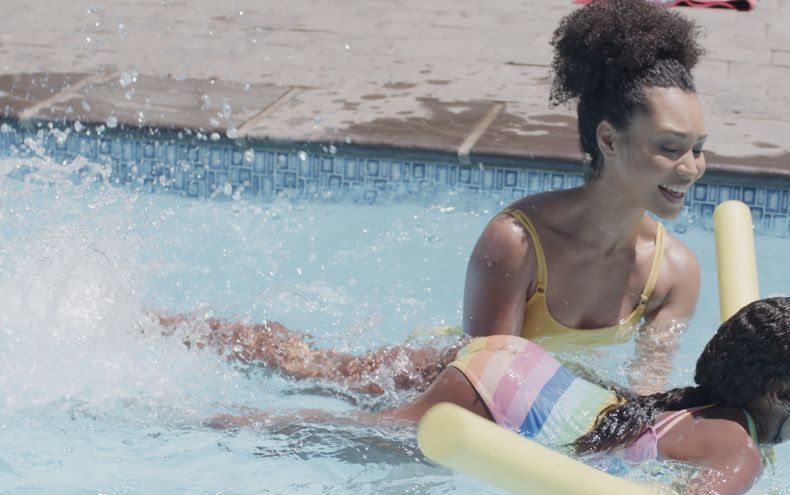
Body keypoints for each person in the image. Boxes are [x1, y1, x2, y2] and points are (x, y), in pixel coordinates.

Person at [164, 0, 707, 397]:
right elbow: (486, 382)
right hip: (425, 380)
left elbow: (647, 392)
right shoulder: (519, 242)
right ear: (609, 141)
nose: (691, 169)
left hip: (534, 401)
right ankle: (183, 330)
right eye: (670, 148)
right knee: (311, 369)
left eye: (699, 149)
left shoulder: (675, 274)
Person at [212, 297, 790, 495]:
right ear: (781, 393)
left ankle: (234, 338)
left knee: (330, 373)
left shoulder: (713, 411)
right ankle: (197, 424)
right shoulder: (739, 449)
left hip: (527, 371)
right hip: (499, 398)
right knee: (338, 434)